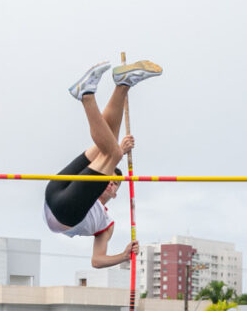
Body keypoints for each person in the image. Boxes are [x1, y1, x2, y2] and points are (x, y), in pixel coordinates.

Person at [44, 60, 162, 267]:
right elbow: (109, 153)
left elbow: (97, 261)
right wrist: (119, 152)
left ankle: (118, 86)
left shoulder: (106, 224)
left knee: (109, 151)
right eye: (110, 180)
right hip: (56, 189)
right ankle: (99, 91)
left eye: (114, 184)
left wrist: (124, 256)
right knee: (108, 150)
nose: (110, 183)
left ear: (115, 194)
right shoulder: (96, 181)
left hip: (64, 213)